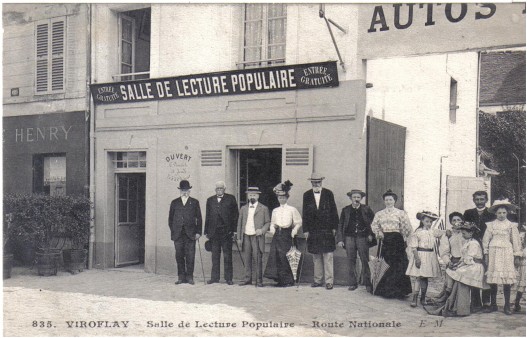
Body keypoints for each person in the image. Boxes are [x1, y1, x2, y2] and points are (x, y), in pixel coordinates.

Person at [425, 222, 489, 317]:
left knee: (458, 275)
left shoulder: (474, 243)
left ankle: (459, 307)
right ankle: (455, 302)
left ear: (471, 233)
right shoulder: (468, 242)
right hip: (469, 265)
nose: (462, 235)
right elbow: (463, 258)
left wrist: (459, 266)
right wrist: (458, 264)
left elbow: (469, 259)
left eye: (464, 233)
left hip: (475, 267)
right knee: (454, 272)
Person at [370, 189, 413, 299]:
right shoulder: (379, 214)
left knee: (399, 265)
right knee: (386, 263)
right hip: (385, 240)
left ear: (395, 201)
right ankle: (386, 291)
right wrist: (379, 233)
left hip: (397, 240)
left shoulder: (401, 213)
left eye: (391, 199)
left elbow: (406, 227)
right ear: (384, 201)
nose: (388, 202)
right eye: (386, 200)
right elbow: (374, 225)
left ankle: (399, 291)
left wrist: (404, 238)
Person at [482, 199, 522, 315]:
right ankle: (493, 304)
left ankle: (506, 306)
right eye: (499, 213)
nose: (501, 215)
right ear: (495, 213)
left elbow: (516, 242)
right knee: (493, 280)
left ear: (507, 213)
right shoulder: (491, 225)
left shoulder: (511, 225)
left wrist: (517, 255)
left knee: (506, 279)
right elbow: (485, 240)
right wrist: (486, 254)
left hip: (506, 253)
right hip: (494, 253)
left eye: (504, 213)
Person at [302, 173, 339, 290]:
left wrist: (334, 227)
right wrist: (306, 230)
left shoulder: (329, 194)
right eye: (314, 182)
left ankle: (329, 281)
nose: (316, 184)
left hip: (327, 230)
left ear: (321, 182)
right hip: (313, 231)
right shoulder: (306, 195)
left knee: (328, 256)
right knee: (316, 256)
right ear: (311, 183)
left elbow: (334, 211)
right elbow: (305, 214)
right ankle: (317, 280)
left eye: (318, 182)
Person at [336, 189, 375, 292]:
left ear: (361, 199)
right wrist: (340, 239)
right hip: (349, 237)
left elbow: (374, 223)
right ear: (350, 198)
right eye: (354, 197)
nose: (356, 199)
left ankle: (367, 283)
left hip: (363, 237)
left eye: (358, 197)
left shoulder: (366, 209)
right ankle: (353, 283)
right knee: (351, 260)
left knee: (365, 260)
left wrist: (371, 234)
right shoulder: (346, 210)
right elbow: (340, 225)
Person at [264, 181, 302, 287]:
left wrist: (294, 231)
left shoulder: (292, 210)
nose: (282, 200)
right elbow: (273, 223)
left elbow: (298, 222)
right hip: (278, 235)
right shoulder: (275, 210)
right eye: (280, 198)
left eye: (284, 198)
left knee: (287, 256)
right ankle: (280, 279)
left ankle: (289, 280)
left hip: (287, 235)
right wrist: (272, 229)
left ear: (287, 198)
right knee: (278, 257)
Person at [463, 190, 494, 312]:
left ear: (486, 200)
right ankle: (476, 302)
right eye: (477, 199)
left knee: (487, 273)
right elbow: (463, 227)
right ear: (474, 200)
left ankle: (487, 302)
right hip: (473, 246)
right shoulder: (468, 213)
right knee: (474, 272)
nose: (479, 202)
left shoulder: (491, 213)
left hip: (488, 247)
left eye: (482, 199)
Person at [168, 180, 202, 285]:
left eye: (186, 190)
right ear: (180, 190)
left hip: (190, 234)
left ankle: (190, 277)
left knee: (190, 256)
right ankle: (181, 277)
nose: (184, 192)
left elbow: (199, 218)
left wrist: (198, 232)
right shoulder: (174, 202)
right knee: (179, 256)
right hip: (178, 235)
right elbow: (170, 219)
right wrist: (174, 231)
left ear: (189, 190)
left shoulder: (194, 202)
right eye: (182, 190)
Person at [204, 181, 239, 285]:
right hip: (214, 233)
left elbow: (235, 216)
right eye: (217, 188)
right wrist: (206, 231)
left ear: (224, 189)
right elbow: (208, 216)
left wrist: (234, 231)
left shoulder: (231, 198)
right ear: (215, 190)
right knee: (215, 256)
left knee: (227, 256)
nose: (219, 190)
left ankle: (228, 278)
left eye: (221, 188)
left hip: (226, 232)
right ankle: (215, 278)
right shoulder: (210, 200)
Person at [406, 211, 443, 307]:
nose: (429, 224)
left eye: (431, 222)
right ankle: (415, 298)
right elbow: (413, 247)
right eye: (427, 221)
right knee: (418, 277)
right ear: (422, 221)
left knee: (425, 278)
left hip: (430, 255)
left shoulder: (433, 231)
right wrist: (417, 259)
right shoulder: (418, 232)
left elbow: (443, 233)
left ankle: (423, 298)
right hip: (420, 255)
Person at [237, 187, 271, 287]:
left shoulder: (264, 208)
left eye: (254, 195)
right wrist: (239, 237)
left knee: (258, 258)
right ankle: (247, 279)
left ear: (258, 196)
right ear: (248, 196)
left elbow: (267, 222)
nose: (252, 197)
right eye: (250, 195)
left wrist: (262, 230)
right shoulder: (243, 208)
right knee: (247, 258)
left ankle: (259, 280)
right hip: (246, 235)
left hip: (257, 237)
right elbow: (239, 224)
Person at [435, 212, 465, 302]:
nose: (456, 222)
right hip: (454, 261)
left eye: (459, 220)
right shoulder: (448, 234)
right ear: (451, 222)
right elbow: (444, 252)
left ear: (462, 221)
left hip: (465, 261)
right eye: (454, 220)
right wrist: (448, 262)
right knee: (450, 280)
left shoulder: (467, 233)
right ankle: (447, 296)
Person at [514, 224, 526, 312]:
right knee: (522, 283)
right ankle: (517, 303)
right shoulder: (522, 236)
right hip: (524, 263)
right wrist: (518, 256)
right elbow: (519, 248)